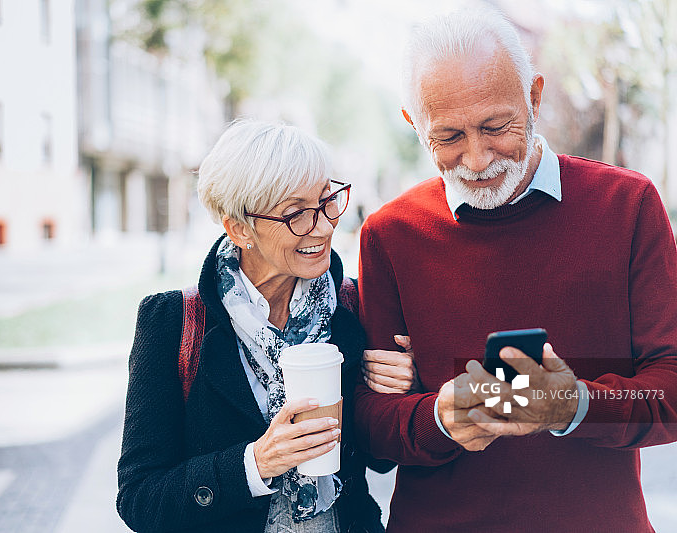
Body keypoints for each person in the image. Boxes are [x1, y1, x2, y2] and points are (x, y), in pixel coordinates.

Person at [354, 8, 677, 532]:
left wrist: (574, 405)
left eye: (495, 127)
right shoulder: (390, 235)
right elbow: (372, 432)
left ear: (534, 96)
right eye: (449, 137)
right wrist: (439, 418)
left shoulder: (628, 205)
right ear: (415, 125)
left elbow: (669, 389)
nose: (477, 160)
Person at [117, 119, 413, 533]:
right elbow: (140, 499)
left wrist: (394, 393)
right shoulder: (172, 323)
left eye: (327, 202)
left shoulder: (356, 304)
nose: (325, 227)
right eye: (296, 214)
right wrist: (254, 464)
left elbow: (381, 461)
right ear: (240, 228)